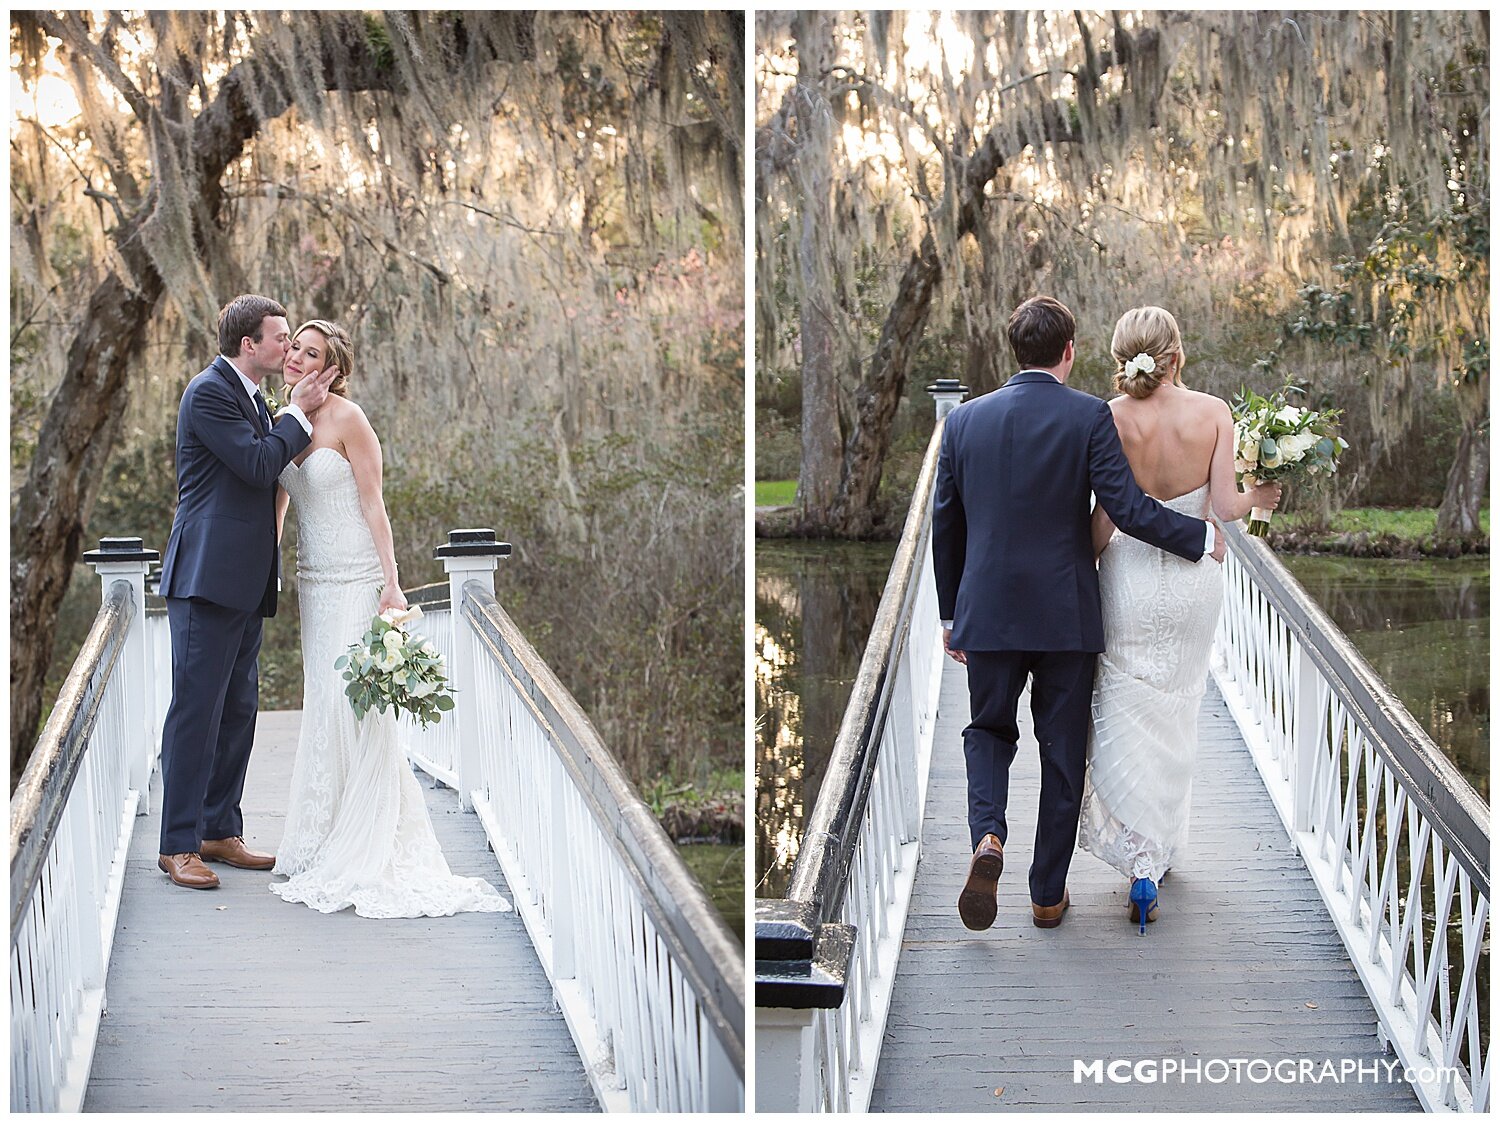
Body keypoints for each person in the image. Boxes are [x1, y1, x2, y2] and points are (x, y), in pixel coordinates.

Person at [932, 295, 1225, 933]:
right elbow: (1125, 508)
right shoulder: (1090, 416)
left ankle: (988, 838)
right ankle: (1046, 895)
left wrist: (950, 613)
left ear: (1015, 351)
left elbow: (945, 524)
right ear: (1070, 352)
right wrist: (1197, 539)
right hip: (1066, 613)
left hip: (989, 614)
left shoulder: (963, 423)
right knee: (1063, 752)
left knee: (987, 732)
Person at [270, 319, 509, 918]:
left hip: (355, 579)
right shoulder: (284, 420)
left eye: (311, 353)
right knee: (322, 698)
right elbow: (276, 505)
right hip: (313, 583)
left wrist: (393, 584)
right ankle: (320, 835)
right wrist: (263, 571)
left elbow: (375, 505)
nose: (296, 357)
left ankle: (367, 837)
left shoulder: (350, 420)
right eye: (294, 348)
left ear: (334, 370)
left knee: (355, 704)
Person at [1079, 306, 1281, 933]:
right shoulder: (1214, 412)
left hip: (1129, 580)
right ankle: (1155, 855)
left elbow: (1106, 520)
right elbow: (1224, 507)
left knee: (1123, 702)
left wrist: (1073, 564)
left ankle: (1140, 861)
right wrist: (1262, 496)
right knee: (1179, 710)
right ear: (1176, 352)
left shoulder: (1108, 417)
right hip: (1196, 582)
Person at [156, 294, 337, 890]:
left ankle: (218, 829)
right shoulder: (208, 393)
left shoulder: (256, 398)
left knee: (238, 711)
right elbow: (259, 467)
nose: (288, 349)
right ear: (248, 346)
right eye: (280, 338)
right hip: (206, 580)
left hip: (248, 580)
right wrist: (301, 416)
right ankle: (178, 845)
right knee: (196, 713)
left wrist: (294, 414)